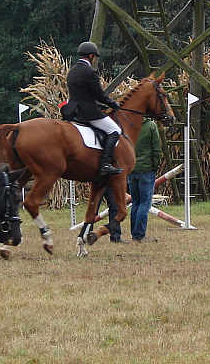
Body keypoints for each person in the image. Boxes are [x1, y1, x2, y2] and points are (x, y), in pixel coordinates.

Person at [64, 41, 124, 177]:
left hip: (74, 111)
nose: (95, 59)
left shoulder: (72, 72)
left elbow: (82, 94)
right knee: (115, 130)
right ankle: (105, 164)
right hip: (89, 113)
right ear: (91, 56)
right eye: (94, 57)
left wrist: (99, 105)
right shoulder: (89, 72)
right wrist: (112, 104)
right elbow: (99, 94)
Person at [128, 118, 162, 243]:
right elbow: (156, 149)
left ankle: (134, 233)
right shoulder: (151, 126)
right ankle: (139, 235)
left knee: (135, 202)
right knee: (145, 203)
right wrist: (155, 165)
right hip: (146, 170)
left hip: (132, 169)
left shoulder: (129, 124)